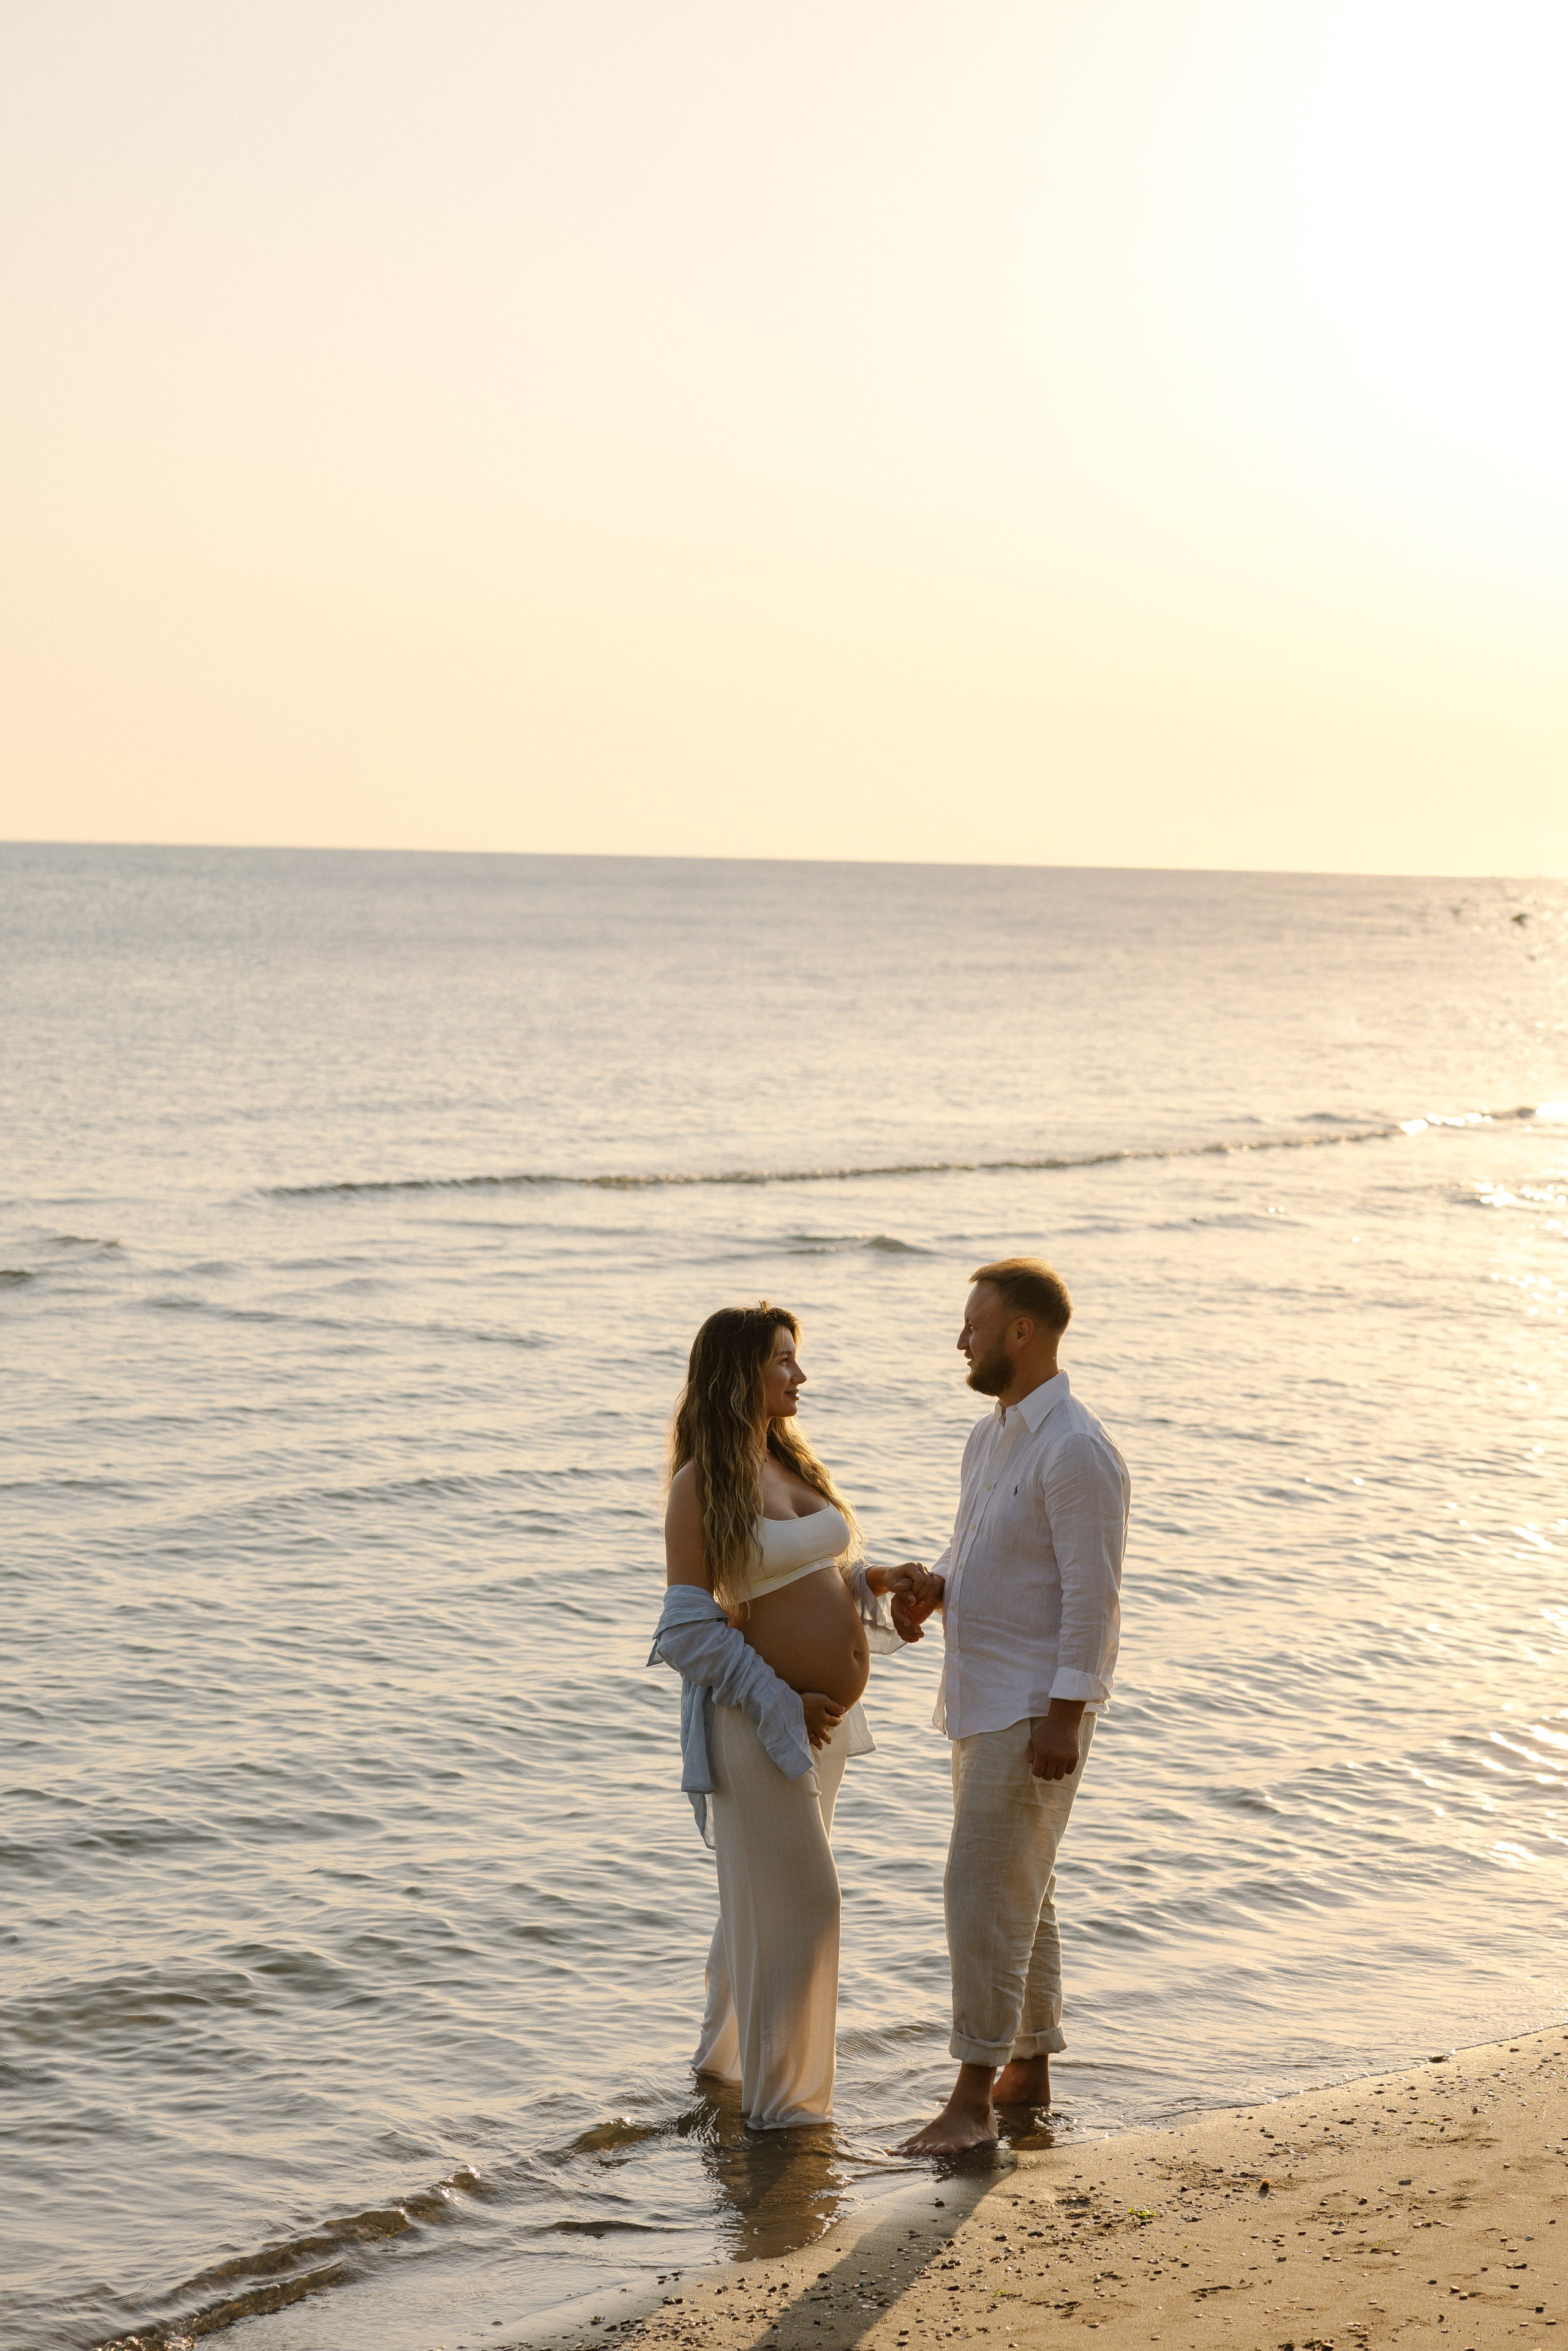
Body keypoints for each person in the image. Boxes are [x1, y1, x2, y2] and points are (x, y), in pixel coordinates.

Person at [649, 1304, 920, 2130]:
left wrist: (878, 1585)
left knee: (759, 1909)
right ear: (739, 1375)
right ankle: (789, 2117)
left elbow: (811, 1575)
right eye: (783, 1361)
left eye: (797, 1360)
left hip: (816, 1730)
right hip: (757, 1726)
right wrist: (779, 1698)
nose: (800, 1377)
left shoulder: (790, 1460)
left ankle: (726, 2077)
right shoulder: (702, 1485)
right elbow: (686, 1631)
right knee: (807, 1906)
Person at [895, 1257, 1130, 2155]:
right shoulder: (991, 1436)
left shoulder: (1077, 1448)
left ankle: (970, 2101)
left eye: (975, 1323)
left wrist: (1068, 1714)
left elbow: (1091, 1597)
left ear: (1021, 1333)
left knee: (980, 1893)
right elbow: (984, 1553)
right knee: (1024, 1893)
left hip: (1034, 1705)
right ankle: (1026, 2067)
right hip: (979, 1694)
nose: (963, 1338)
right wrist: (934, 1587)